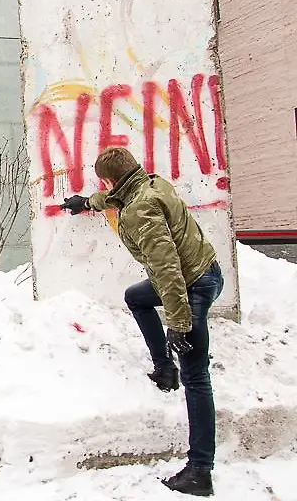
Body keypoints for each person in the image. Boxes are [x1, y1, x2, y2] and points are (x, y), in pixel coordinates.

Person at [60, 147, 223, 497]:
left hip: (191, 283)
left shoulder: (139, 210)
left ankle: (200, 471)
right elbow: (116, 196)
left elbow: (167, 269)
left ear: (111, 178)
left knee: (196, 377)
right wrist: (86, 202)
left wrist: (179, 322)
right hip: (204, 270)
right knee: (137, 297)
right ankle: (164, 368)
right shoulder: (151, 184)